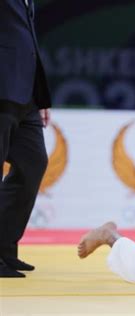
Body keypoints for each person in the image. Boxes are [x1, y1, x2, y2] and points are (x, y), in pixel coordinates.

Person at [0, 0, 52, 277]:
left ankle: (4, 248)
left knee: (33, 164)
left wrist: (40, 96)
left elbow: (27, 45)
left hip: (25, 93)